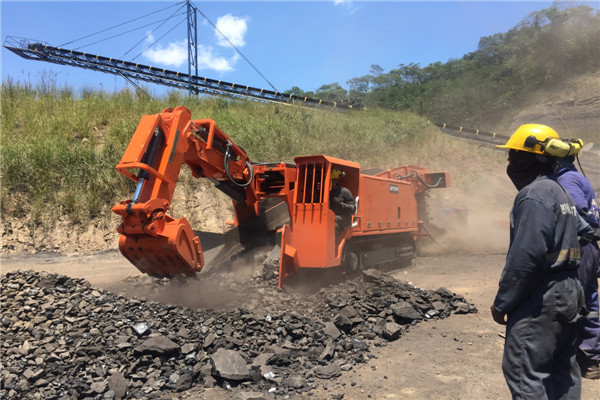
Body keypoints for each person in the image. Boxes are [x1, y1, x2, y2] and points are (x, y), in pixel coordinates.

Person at [491, 124, 585, 399]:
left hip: (543, 297)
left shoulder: (534, 195)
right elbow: (588, 231)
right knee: (562, 373)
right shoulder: (560, 191)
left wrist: (503, 302)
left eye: (514, 155)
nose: (510, 162)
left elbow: (527, 258)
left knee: (525, 373)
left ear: (532, 158)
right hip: (570, 291)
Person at [555, 154, 600, 379]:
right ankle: (592, 357)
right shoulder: (575, 176)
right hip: (589, 247)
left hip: (579, 246)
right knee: (589, 300)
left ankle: (573, 356)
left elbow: (576, 210)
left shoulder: (566, 179)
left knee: (572, 300)